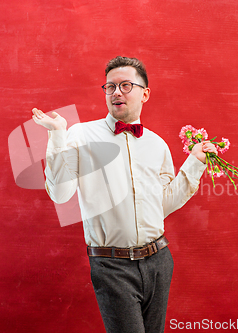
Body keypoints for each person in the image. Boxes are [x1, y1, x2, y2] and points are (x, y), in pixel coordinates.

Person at [32, 56, 217, 333]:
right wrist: (58, 136)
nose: (116, 92)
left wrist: (195, 161)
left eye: (126, 85)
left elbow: (162, 205)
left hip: (159, 261)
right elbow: (60, 194)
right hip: (111, 265)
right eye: (110, 87)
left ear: (145, 94)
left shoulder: (157, 144)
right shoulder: (81, 135)